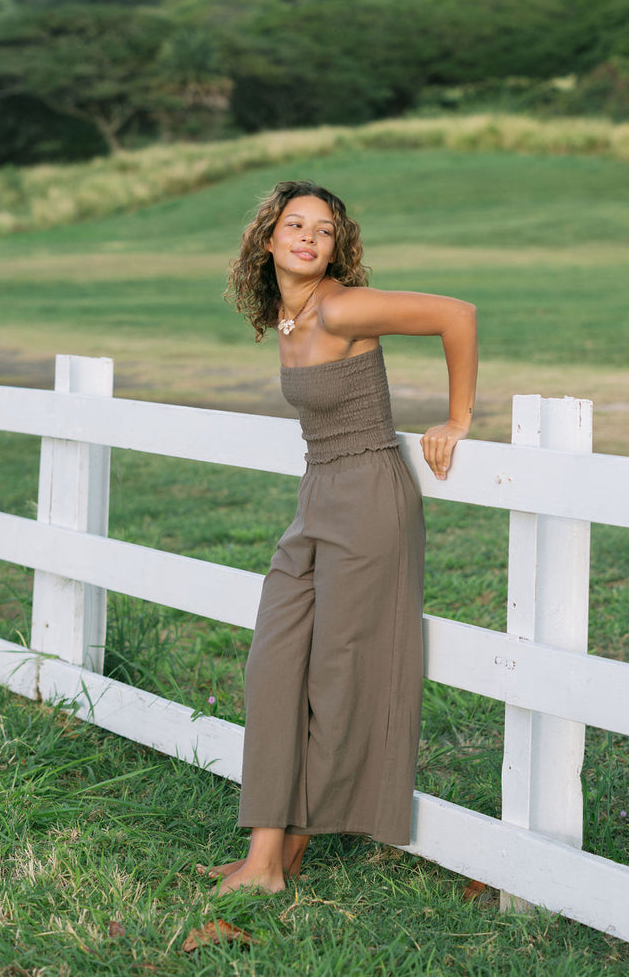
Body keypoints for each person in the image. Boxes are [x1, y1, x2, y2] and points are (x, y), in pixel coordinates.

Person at [204, 179, 477, 895]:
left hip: (368, 497)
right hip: (318, 493)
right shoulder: (287, 319)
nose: (307, 237)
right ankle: (268, 848)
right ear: (268, 240)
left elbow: (458, 314)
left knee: (336, 676)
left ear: (337, 246)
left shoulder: (343, 305)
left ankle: (275, 858)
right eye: (294, 225)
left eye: (323, 230)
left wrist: (457, 419)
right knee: (273, 664)